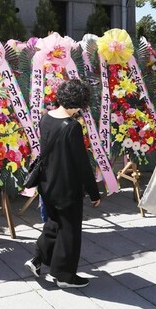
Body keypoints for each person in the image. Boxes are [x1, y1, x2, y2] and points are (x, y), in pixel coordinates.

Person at [25, 78, 102, 289]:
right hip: (67, 187)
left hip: (47, 183)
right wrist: (94, 193)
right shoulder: (72, 127)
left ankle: (37, 259)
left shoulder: (46, 118)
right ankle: (64, 276)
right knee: (69, 231)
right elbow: (82, 164)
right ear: (79, 102)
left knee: (54, 223)